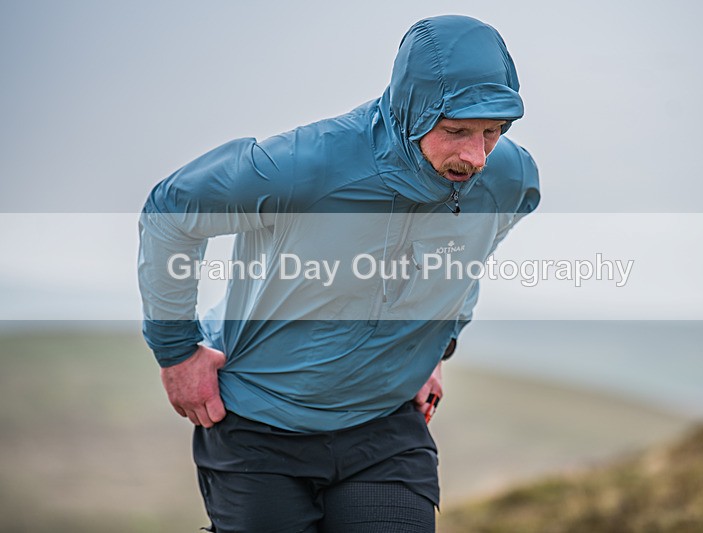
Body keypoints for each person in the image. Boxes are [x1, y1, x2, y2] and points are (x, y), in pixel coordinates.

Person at [138, 14, 540, 532]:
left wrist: (439, 342)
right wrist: (177, 352)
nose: (476, 155)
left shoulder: (510, 177)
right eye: (457, 131)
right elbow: (171, 213)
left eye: (493, 131)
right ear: (411, 111)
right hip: (259, 426)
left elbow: (472, 252)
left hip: (384, 426)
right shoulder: (304, 166)